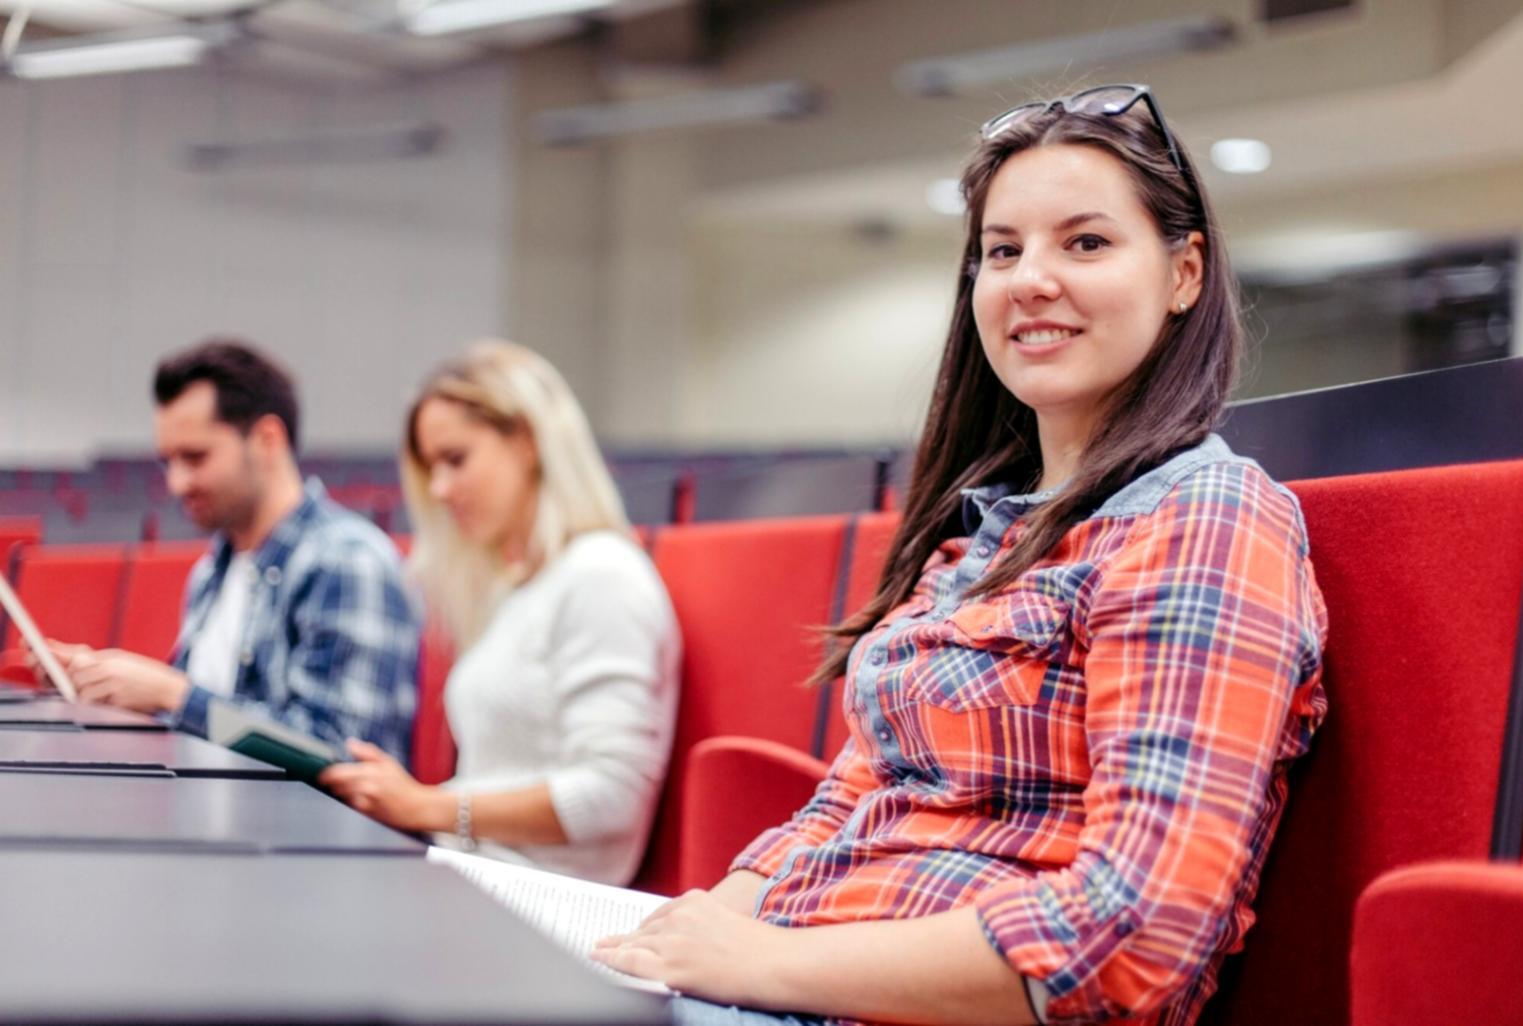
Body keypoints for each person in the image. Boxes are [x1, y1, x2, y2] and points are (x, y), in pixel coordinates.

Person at [591, 84, 1329, 1026]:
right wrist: (679, 944)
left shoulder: (1203, 520)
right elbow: (852, 802)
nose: (1029, 280)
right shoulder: (983, 542)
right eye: (1001, 251)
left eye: (1086, 243)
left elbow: (1135, 935)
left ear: (1184, 273)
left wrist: (761, 965)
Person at [320, 341, 680, 887]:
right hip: (473, 876)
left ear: (528, 441)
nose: (439, 489)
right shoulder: (522, 587)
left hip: (536, 902)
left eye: (455, 459)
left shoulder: (601, 575)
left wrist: (425, 807)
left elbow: (612, 795)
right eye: (430, 468)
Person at [46, 339, 420, 762]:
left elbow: (342, 757)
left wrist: (173, 695)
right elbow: (207, 727)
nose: (177, 484)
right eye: (169, 462)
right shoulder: (213, 571)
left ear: (266, 439)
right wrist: (108, 683)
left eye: (196, 457)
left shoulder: (347, 561)